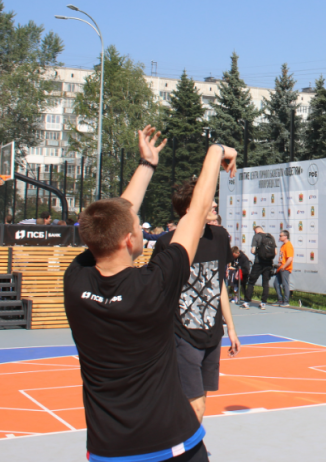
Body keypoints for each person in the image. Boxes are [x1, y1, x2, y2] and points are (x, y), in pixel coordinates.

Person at [63, 126, 236, 462]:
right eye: (138, 224)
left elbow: (112, 218)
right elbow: (196, 213)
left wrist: (148, 164)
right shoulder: (153, 285)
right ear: (130, 240)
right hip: (172, 444)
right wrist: (216, 151)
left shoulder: (76, 281)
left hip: (107, 450)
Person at [153, 187, 240, 425]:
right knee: (195, 406)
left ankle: (178, 444)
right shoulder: (167, 243)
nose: (214, 204)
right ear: (190, 209)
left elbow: (218, 283)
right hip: (182, 335)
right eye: (208, 201)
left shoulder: (220, 236)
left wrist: (230, 327)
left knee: (200, 399)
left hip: (212, 334)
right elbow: (158, 292)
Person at [242, 225, 276, 310]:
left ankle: (246, 302)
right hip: (268, 263)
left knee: (251, 282)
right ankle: (263, 303)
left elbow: (253, 250)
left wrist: (257, 252)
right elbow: (275, 252)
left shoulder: (256, 236)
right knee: (265, 283)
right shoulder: (271, 237)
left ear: (256, 231)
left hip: (258, 263)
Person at [273, 230, 294, 307]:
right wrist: (278, 265)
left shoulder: (288, 245)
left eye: (281, 236)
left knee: (285, 284)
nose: (279, 237)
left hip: (285, 269)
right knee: (276, 284)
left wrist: (284, 267)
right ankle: (280, 299)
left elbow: (290, 258)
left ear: (286, 237)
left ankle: (286, 301)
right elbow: (282, 258)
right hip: (280, 268)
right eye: (279, 235)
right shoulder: (283, 246)